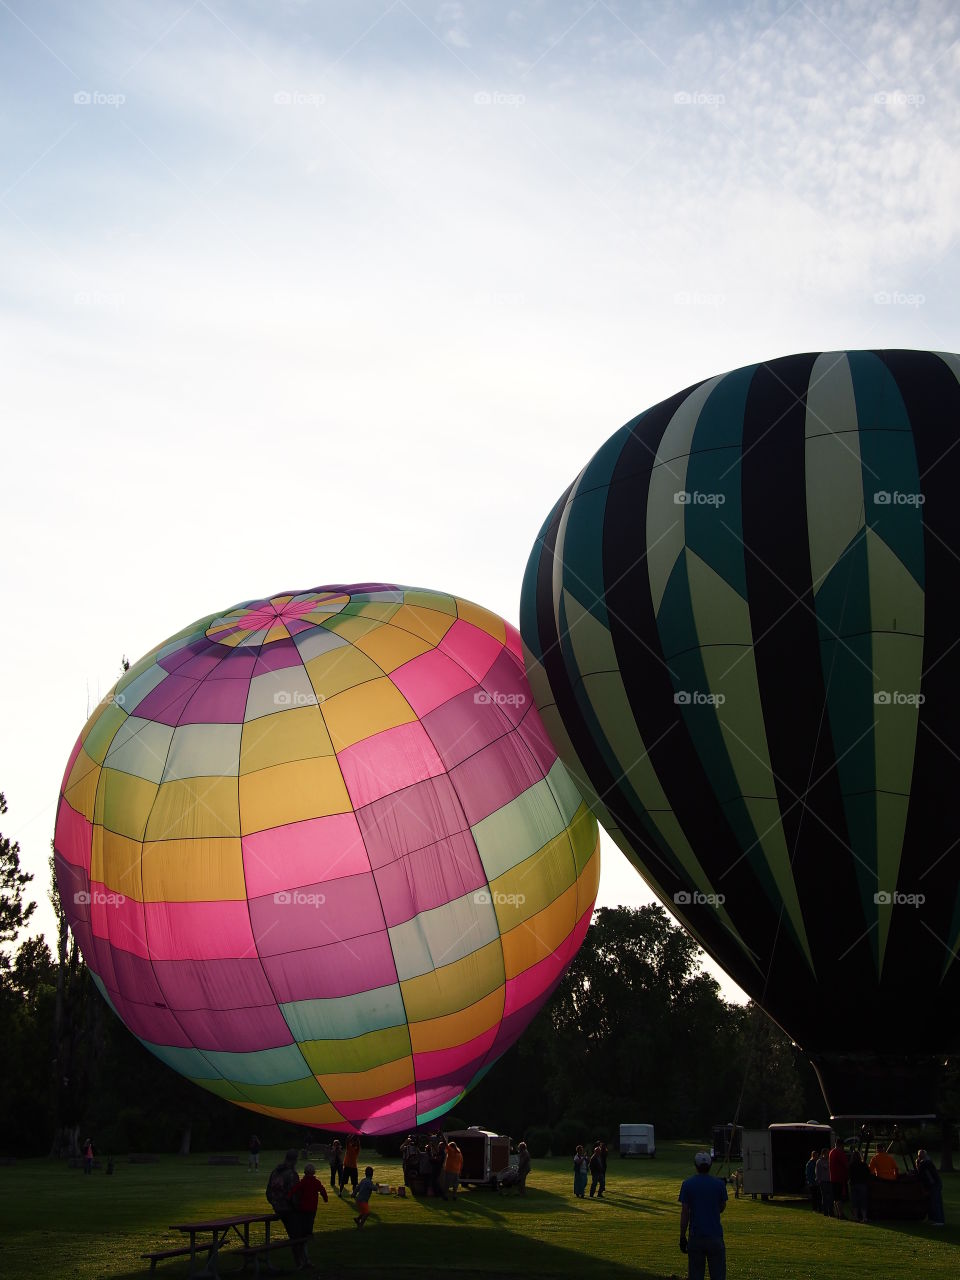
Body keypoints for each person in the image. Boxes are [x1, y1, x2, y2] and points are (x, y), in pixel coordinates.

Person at [678, 1151, 727, 1280]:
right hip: (715, 1235)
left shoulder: (687, 1184)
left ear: (696, 1165)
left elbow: (685, 1213)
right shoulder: (719, 1184)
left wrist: (682, 1236)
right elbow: (721, 1208)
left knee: (695, 1275)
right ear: (710, 1165)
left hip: (696, 1235)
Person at [267, 1149, 306, 1269]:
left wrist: (274, 1203)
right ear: (294, 1160)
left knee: (294, 1234)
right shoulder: (291, 1174)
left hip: (278, 1207)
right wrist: (298, 1207)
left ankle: (301, 1261)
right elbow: (295, 1194)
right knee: (298, 1235)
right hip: (288, 1208)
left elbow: (268, 1192)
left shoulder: (275, 1172)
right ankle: (300, 1262)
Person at [291, 1162, 327, 1268]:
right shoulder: (316, 1182)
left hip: (303, 1208)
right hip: (312, 1208)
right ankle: (308, 1233)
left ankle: (306, 1233)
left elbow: (295, 1189)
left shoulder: (303, 1182)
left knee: (304, 1221)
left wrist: (289, 1196)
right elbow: (322, 1190)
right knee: (310, 1221)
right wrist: (325, 1198)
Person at [916, 1149, 945, 1226]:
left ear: (922, 1155)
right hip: (935, 1183)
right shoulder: (927, 1161)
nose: (918, 1156)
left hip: (934, 1184)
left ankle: (939, 1221)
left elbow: (920, 1175)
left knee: (935, 1202)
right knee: (932, 1202)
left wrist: (917, 1164)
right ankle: (933, 1219)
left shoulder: (924, 1163)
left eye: (920, 1155)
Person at [828, 1138, 848, 1219]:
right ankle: (841, 1214)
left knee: (836, 1197)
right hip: (839, 1178)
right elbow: (846, 1165)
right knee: (839, 1197)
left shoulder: (831, 1152)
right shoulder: (839, 1153)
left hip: (833, 1177)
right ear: (841, 1145)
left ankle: (838, 1214)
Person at [847, 1150, 869, 1223]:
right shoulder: (864, 1165)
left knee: (855, 1201)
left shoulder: (851, 1165)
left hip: (853, 1184)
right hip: (862, 1184)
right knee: (863, 1201)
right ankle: (864, 1217)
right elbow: (867, 1174)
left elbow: (849, 1175)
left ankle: (856, 1217)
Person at [815, 1148, 833, 1217]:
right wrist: (818, 1180)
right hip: (823, 1182)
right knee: (824, 1197)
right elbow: (817, 1172)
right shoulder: (819, 1161)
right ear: (823, 1154)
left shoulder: (830, 1161)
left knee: (831, 1197)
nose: (828, 1154)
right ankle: (825, 1212)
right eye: (827, 1153)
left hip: (830, 1181)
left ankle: (831, 1212)